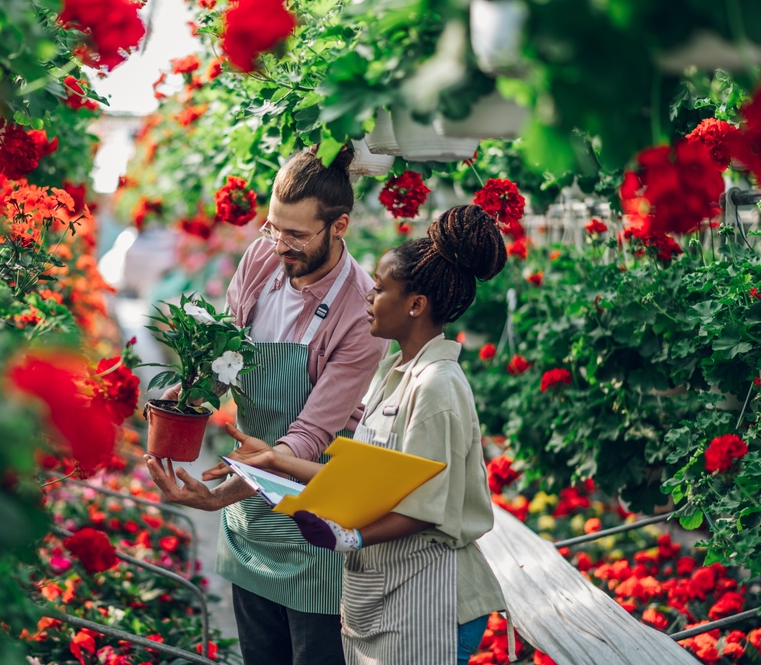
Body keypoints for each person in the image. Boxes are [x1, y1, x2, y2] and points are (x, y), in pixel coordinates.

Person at [214, 204, 509, 665]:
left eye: (381, 287)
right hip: (395, 590)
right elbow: (371, 477)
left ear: (415, 305)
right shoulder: (396, 371)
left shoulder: (437, 386)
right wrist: (274, 460)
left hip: (432, 594)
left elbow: (427, 508)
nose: (368, 295)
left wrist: (347, 538)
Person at [145, 145, 389, 665]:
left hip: (312, 521)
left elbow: (306, 439)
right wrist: (189, 397)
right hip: (250, 517)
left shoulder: (359, 310)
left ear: (339, 225)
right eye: (274, 228)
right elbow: (224, 355)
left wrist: (222, 495)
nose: (281, 244)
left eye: (297, 234)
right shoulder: (262, 259)